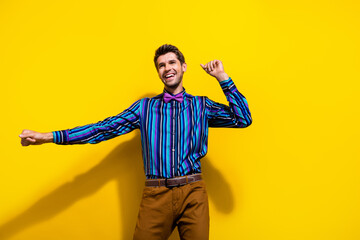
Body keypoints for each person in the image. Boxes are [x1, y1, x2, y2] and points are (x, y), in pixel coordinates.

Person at [19, 44, 252, 240]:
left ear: (183, 67)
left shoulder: (201, 106)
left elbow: (243, 119)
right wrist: (49, 137)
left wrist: (222, 77)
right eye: (161, 65)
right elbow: (103, 129)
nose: (167, 68)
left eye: (172, 63)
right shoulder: (145, 108)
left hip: (193, 192)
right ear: (158, 72)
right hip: (156, 194)